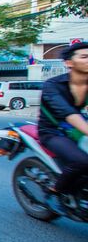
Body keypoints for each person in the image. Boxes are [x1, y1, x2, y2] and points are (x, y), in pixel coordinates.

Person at [39, 42, 88, 213]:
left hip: (79, 130)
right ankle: (55, 191)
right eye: (84, 57)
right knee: (82, 162)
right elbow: (67, 113)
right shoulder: (52, 85)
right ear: (69, 63)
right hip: (53, 132)